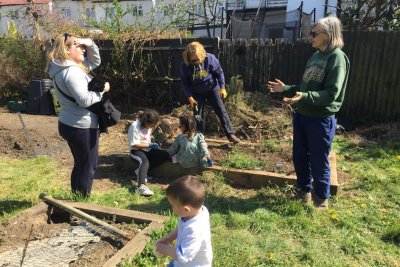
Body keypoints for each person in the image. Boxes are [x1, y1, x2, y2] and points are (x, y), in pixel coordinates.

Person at [267, 17, 350, 210]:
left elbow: (331, 94)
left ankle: (321, 199)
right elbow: (305, 88)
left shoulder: (336, 58)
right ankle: (303, 191)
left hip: (320, 119)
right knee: (300, 156)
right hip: (302, 115)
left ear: (328, 35)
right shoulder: (315, 56)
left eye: (315, 33)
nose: (311, 36)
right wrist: (285, 88)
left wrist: (304, 96)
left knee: (318, 159)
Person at [47, 33, 109, 198]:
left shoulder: (63, 67)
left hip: (70, 122)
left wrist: (90, 43)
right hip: (81, 125)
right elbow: (84, 100)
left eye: (83, 46)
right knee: (88, 166)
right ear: (66, 50)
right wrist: (102, 90)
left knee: (81, 164)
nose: (83, 49)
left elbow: (95, 61)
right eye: (78, 46)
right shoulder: (72, 72)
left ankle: (76, 198)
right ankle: (81, 204)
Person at [180, 41, 240, 144]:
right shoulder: (185, 65)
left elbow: (219, 73)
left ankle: (230, 134)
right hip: (197, 92)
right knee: (198, 114)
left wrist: (222, 87)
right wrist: (189, 96)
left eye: (197, 59)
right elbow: (185, 83)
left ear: (202, 55)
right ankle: (200, 136)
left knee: (221, 110)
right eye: (193, 60)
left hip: (212, 89)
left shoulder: (211, 59)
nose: (195, 62)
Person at [155, 175, 212, 267]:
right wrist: (170, 237)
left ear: (186, 209)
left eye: (173, 205)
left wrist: (164, 248)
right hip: (179, 263)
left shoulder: (195, 231)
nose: (171, 208)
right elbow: (182, 227)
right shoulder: (198, 211)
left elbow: (183, 256)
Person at [128, 109, 170, 196]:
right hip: (136, 150)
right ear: (145, 121)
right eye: (152, 124)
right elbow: (135, 144)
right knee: (144, 161)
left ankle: (141, 171)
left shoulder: (147, 126)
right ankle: (141, 187)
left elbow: (147, 139)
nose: (153, 126)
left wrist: (151, 145)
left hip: (147, 149)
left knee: (164, 155)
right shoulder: (134, 126)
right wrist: (149, 145)